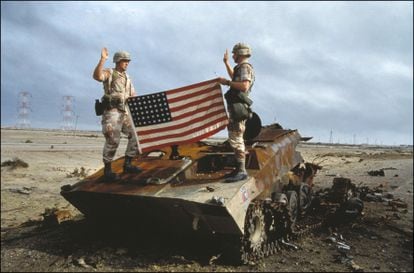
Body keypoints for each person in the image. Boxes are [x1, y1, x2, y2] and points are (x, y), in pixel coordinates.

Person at [93, 47, 142, 180]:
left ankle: (128, 164)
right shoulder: (110, 73)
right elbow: (97, 76)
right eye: (124, 61)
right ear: (117, 61)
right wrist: (103, 60)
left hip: (124, 113)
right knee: (113, 140)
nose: (127, 63)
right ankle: (107, 171)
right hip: (112, 113)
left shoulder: (128, 78)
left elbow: (133, 95)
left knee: (136, 134)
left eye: (128, 61)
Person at [218, 42, 255, 182]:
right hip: (236, 107)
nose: (233, 55)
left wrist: (227, 82)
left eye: (234, 53)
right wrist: (226, 63)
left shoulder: (245, 67)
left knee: (236, 138)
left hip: (238, 107)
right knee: (235, 137)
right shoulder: (241, 68)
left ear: (240, 54)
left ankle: (241, 171)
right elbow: (236, 77)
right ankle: (238, 169)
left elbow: (244, 86)